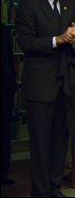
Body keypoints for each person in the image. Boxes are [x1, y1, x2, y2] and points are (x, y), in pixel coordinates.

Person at [15, 0, 75, 197]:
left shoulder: (70, 5)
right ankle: (40, 191)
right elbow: (25, 42)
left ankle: (54, 189)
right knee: (40, 142)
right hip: (40, 86)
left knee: (59, 142)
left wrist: (74, 39)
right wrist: (59, 40)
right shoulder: (28, 4)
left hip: (66, 85)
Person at [1, 23, 17, 185]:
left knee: (4, 133)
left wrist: (10, 88)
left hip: (3, 90)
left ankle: (2, 173)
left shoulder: (4, 30)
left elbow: (9, 61)